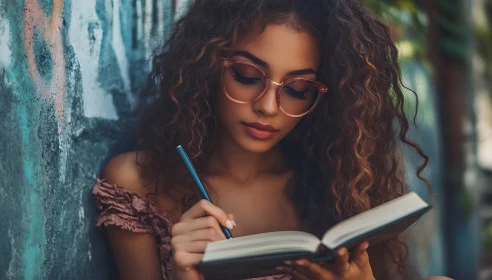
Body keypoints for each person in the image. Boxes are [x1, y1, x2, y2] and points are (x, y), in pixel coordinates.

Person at [92, 0, 453, 279]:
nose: (267, 107)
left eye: (298, 89)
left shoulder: (338, 186)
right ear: (206, 64)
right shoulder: (139, 183)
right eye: (248, 76)